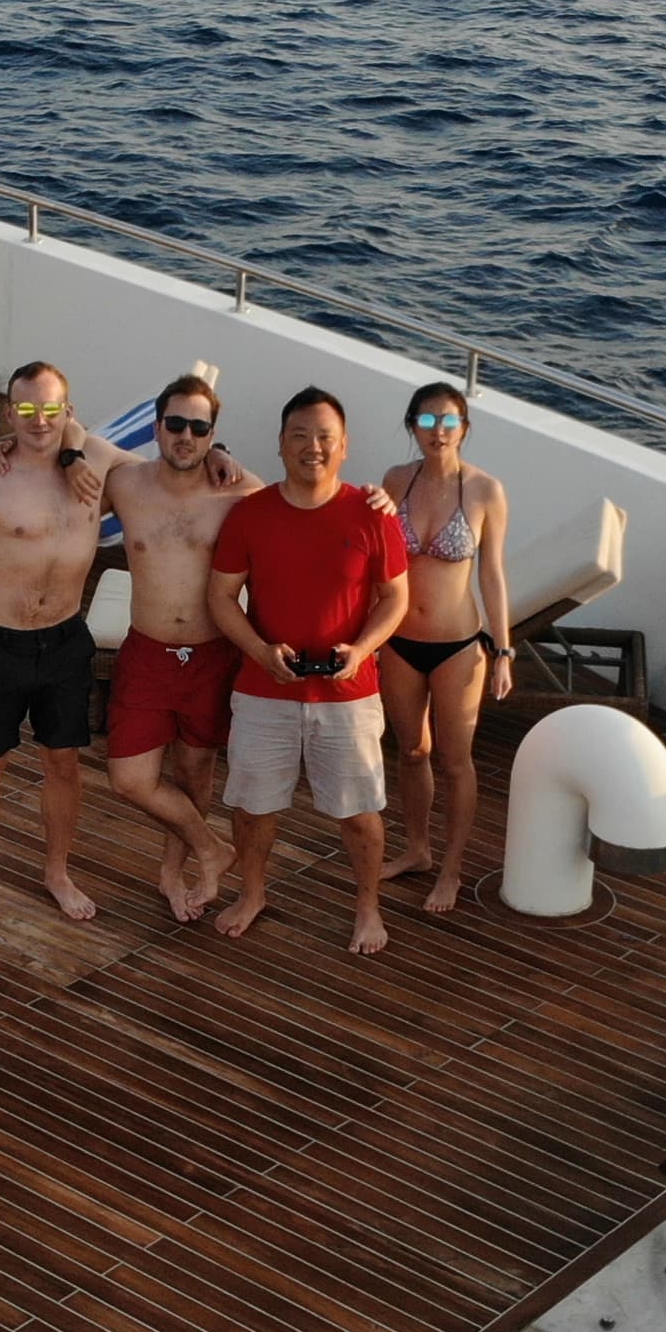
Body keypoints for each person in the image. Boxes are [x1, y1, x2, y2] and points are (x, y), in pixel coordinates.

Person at [209, 387, 411, 955]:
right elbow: (222, 597)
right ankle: (252, 894)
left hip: (348, 694)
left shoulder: (372, 515)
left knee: (360, 814)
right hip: (262, 688)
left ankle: (367, 908)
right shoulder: (250, 514)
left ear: (344, 447)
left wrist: (363, 647)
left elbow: (395, 598)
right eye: (299, 434)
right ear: (279, 444)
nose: (312, 447)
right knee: (253, 808)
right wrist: (259, 651)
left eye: (324, 437)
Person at [0, 360, 109, 925]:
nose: (39, 420)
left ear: (68, 411)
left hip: (63, 641)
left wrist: (221, 452)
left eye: (51, 409)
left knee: (63, 763)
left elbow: (173, 472)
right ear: (11, 413)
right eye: (27, 409)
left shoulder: (94, 468)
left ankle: (56, 871)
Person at [101, 374, 277, 922]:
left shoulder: (234, 496)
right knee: (130, 778)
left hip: (210, 655)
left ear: (212, 435)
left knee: (195, 773)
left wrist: (231, 459)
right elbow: (72, 440)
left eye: (200, 429)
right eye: (175, 424)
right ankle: (211, 848)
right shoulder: (125, 483)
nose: (186, 436)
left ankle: (175, 872)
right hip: (148, 652)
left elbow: (297, 502)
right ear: (156, 427)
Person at [376, 381, 514, 914]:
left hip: (458, 646)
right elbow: (380, 561)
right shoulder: (395, 480)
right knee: (412, 752)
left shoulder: (485, 491)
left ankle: (452, 871)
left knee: (456, 762)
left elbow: (494, 576)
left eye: (449, 422)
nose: (438, 432)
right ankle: (417, 850)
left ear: (465, 429)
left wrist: (503, 651)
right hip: (400, 641)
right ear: (413, 426)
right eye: (428, 421)